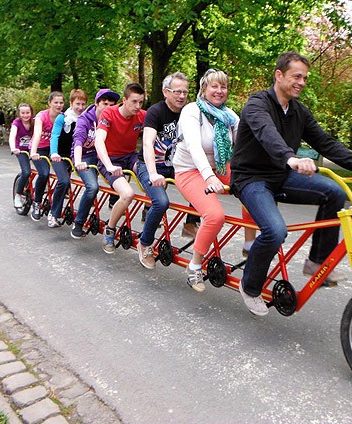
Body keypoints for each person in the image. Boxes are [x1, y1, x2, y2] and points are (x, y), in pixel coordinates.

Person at [230, 51, 352, 316]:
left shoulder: (299, 111)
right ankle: (251, 286)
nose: (301, 82)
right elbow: (268, 134)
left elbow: (325, 142)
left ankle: (317, 262)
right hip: (251, 179)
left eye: (304, 78)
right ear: (279, 75)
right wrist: (290, 157)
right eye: (296, 76)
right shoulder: (257, 105)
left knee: (334, 192)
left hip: (281, 175)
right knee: (275, 231)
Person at [172, 69, 242, 292]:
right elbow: (194, 147)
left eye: (223, 86)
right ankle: (194, 266)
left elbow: (242, 150)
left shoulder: (231, 117)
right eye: (214, 86)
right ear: (203, 89)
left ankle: (251, 246)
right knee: (214, 215)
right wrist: (209, 176)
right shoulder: (192, 112)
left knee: (254, 189)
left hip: (219, 167)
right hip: (190, 170)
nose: (219, 91)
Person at [135, 72, 200, 269]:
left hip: (176, 166)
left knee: (201, 188)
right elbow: (147, 143)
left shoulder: (188, 112)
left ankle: (190, 223)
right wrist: (153, 173)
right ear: (165, 92)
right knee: (161, 201)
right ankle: (145, 243)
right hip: (150, 165)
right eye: (177, 91)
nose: (181, 96)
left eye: (185, 92)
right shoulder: (156, 111)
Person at [95, 83, 147, 254]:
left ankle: (148, 215)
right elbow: (99, 140)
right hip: (110, 159)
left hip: (130, 156)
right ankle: (110, 229)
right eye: (134, 102)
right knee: (127, 194)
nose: (137, 107)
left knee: (153, 179)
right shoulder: (109, 113)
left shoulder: (142, 115)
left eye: (141, 102)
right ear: (124, 100)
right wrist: (109, 165)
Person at [69, 89, 119, 239]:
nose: (108, 108)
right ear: (97, 103)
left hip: (101, 156)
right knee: (92, 187)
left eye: (111, 105)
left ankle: (113, 203)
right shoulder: (85, 119)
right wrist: (78, 162)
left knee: (121, 175)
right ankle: (78, 223)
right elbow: (78, 141)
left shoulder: (111, 118)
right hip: (84, 156)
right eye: (104, 104)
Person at [47, 89, 87, 228]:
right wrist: (53, 153)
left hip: (76, 155)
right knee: (64, 181)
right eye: (77, 104)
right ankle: (53, 213)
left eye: (83, 104)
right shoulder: (62, 118)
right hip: (60, 155)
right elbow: (55, 136)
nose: (80, 107)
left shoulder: (86, 119)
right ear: (71, 103)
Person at [29, 92, 65, 221]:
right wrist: (33, 152)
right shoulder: (42, 116)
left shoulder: (63, 117)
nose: (59, 105)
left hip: (54, 149)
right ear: (49, 103)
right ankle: (36, 202)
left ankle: (57, 201)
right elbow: (37, 134)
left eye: (61, 102)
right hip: (39, 148)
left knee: (64, 174)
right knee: (44, 173)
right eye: (56, 102)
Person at [9, 103, 34, 208]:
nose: (25, 115)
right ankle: (18, 195)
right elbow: (12, 136)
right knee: (26, 171)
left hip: (33, 149)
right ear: (19, 114)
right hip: (21, 150)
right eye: (23, 113)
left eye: (27, 112)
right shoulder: (17, 123)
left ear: (31, 112)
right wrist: (13, 148)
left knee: (44, 171)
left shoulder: (34, 122)